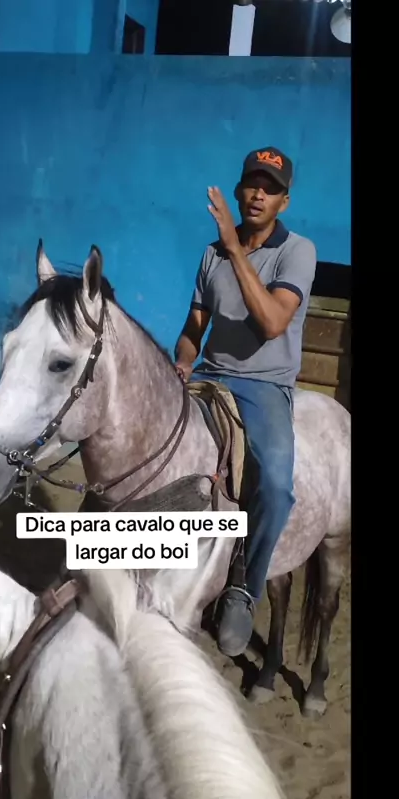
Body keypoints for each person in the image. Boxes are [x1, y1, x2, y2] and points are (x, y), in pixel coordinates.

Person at [174, 146, 317, 657]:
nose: (259, 194)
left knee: (275, 486)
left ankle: (243, 589)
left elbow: (273, 322)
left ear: (283, 201)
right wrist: (182, 362)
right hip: (209, 376)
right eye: (253, 184)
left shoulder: (297, 251)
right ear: (238, 191)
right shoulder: (211, 253)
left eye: (270, 189)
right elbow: (194, 329)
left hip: (263, 386)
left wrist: (236, 250)